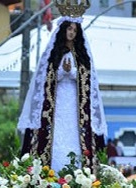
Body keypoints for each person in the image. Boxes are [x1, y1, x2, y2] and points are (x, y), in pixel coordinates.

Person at [18, 17, 106, 173]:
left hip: (75, 103)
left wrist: (72, 72)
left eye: (74, 30)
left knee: (74, 134)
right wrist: (60, 73)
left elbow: (87, 79)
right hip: (57, 102)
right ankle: (53, 171)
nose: (71, 33)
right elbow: (44, 79)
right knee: (56, 134)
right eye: (69, 29)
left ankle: (78, 172)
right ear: (63, 30)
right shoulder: (54, 53)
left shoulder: (81, 55)